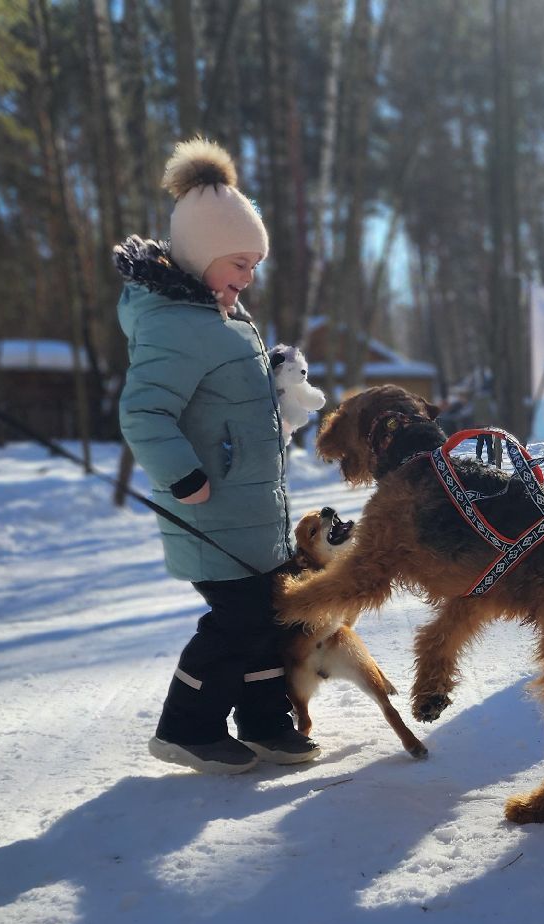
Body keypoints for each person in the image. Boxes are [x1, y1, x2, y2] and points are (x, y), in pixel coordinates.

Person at [114, 138, 318, 777]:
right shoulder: (177, 325)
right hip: (212, 509)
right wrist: (184, 476)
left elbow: (232, 405)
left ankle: (263, 722)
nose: (248, 277)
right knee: (238, 620)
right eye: (238, 262)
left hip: (254, 510)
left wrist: (277, 383)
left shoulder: (226, 319)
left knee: (267, 618)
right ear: (201, 255)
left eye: (254, 265)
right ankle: (187, 728)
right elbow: (143, 411)